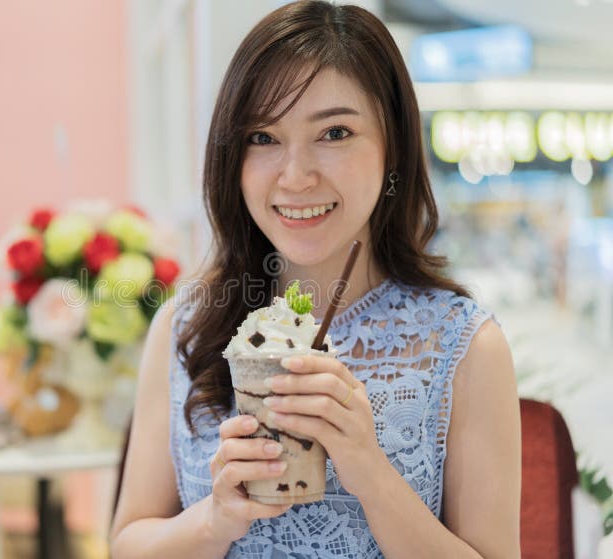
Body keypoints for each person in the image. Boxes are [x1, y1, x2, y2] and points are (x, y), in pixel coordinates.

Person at [110, 2, 521, 557]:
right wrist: (216, 518)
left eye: (334, 132)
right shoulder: (185, 326)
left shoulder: (466, 347)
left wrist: (370, 473)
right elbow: (128, 544)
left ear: (392, 146)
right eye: (262, 137)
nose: (296, 175)